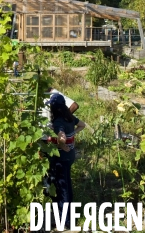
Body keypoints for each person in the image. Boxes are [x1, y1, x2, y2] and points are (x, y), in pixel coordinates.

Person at [47, 93, 86, 228]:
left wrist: (60, 144)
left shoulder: (58, 122)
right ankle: (69, 216)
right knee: (67, 185)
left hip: (61, 158)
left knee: (62, 188)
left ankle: (66, 221)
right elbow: (82, 125)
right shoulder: (69, 117)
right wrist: (73, 134)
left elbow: (61, 137)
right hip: (70, 157)